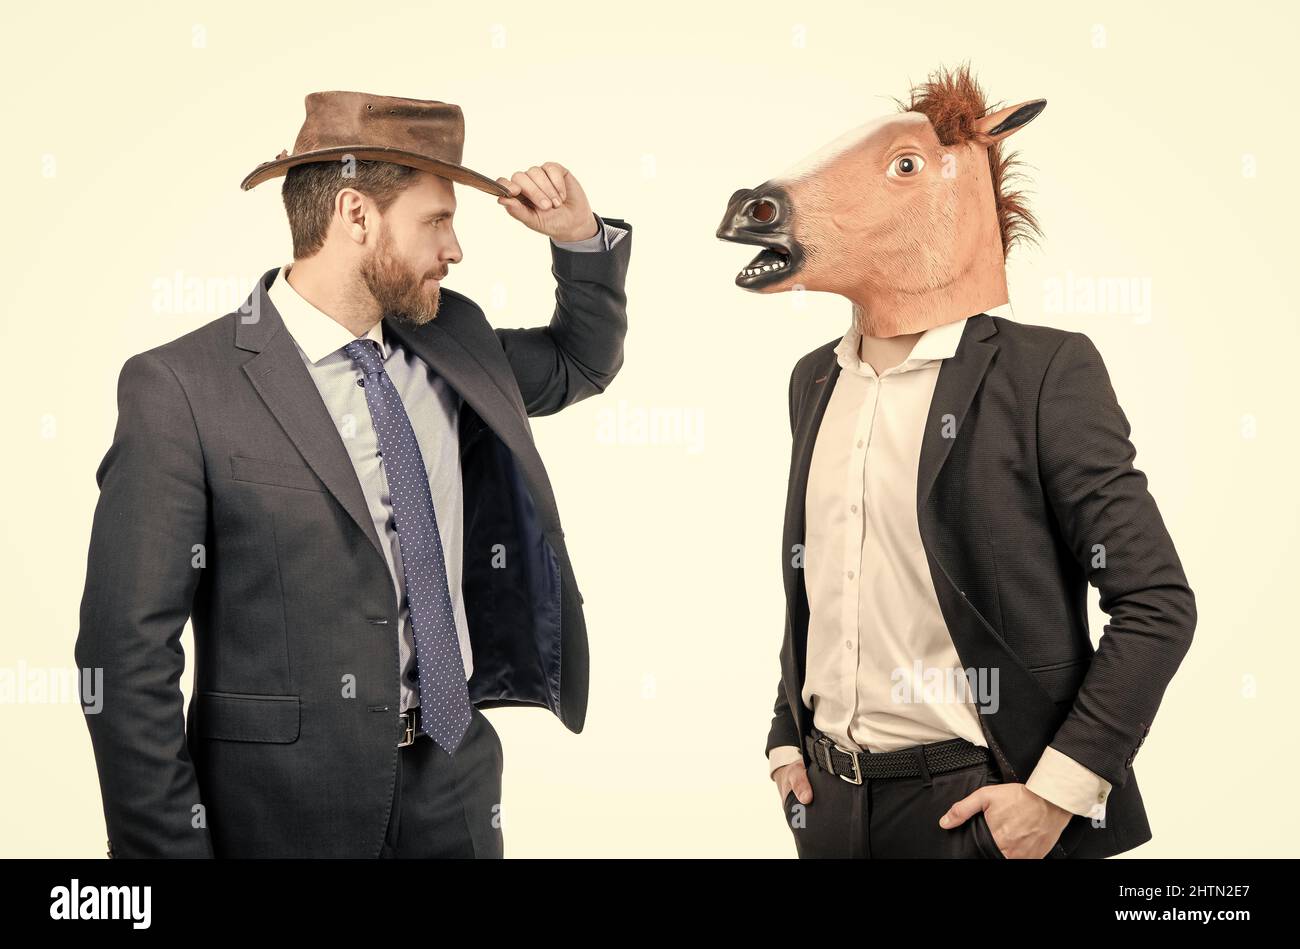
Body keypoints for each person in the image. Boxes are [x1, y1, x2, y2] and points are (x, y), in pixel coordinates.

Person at [75, 91, 632, 858]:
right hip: (282, 812)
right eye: (437, 221)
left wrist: (580, 241)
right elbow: (125, 659)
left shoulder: (453, 337)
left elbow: (579, 362)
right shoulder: (181, 389)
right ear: (356, 215)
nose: (457, 249)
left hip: (457, 787)